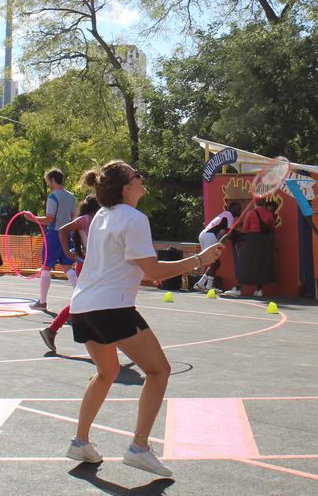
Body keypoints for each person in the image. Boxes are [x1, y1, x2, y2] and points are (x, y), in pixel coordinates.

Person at [65, 160, 222, 477]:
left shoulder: (101, 217)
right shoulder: (134, 218)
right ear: (127, 187)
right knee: (158, 370)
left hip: (82, 307)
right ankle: (138, 447)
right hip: (111, 307)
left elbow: (138, 266)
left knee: (107, 372)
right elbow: (153, 272)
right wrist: (199, 259)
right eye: (137, 175)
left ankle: (80, 441)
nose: (141, 178)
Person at [40, 195, 99, 352]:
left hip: (94, 265)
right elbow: (64, 229)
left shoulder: (97, 220)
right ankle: (52, 329)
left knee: (89, 299)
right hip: (86, 265)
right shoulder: (86, 219)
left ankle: (52, 330)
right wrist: (67, 251)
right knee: (85, 299)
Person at [30, 168, 77, 311]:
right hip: (68, 235)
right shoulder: (71, 196)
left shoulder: (53, 197)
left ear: (52, 180)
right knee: (67, 267)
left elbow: (49, 219)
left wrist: (32, 218)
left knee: (46, 267)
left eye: (48, 181)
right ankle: (82, 297)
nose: (48, 184)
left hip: (55, 235)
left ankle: (42, 302)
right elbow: (74, 218)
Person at [221, 200, 277, 298]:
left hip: (253, 239)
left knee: (247, 262)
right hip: (265, 240)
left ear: (255, 203)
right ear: (264, 204)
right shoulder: (269, 214)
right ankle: (259, 289)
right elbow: (272, 227)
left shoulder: (251, 213)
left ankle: (238, 288)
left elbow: (245, 228)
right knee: (262, 264)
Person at [193, 201, 242, 291]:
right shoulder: (229, 215)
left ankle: (201, 283)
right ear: (232, 209)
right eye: (238, 209)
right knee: (215, 262)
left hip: (204, 235)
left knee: (215, 263)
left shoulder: (225, 215)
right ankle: (209, 286)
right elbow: (229, 233)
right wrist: (241, 235)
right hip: (210, 236)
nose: (240, 211)